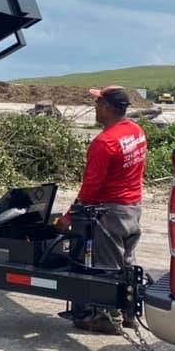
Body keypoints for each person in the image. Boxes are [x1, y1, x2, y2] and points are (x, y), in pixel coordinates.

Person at [58, 85, 148, 334]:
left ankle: (107, 318)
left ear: (108, 107)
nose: (95, 107)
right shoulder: (135, 131)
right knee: (127, 262)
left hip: (110, 211)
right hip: (132, 207)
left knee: (106, 267)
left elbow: (91, 188)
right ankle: (129, 313)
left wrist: (69, 217)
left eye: (98, 103)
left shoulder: (104, 143)